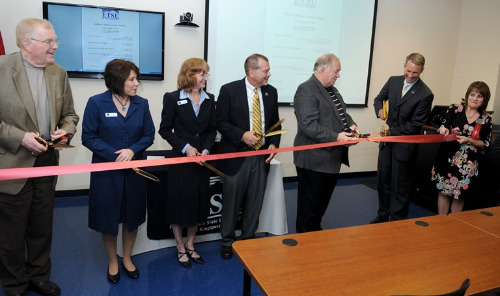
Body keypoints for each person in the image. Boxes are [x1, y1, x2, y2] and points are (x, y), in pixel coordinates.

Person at [0, 18, 79, 296]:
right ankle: (15, 284)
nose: (56, 46)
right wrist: (20, 137)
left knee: (42, 226)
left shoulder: (58, 73)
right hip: (12, 163)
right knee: (11, 232)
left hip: (46, 162)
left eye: (55, 40)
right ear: (27, 44)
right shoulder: (1, 69)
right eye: (49, 42)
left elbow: (70, 114)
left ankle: (38, 276)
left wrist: (65, 132)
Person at [81, 59, 155, 284]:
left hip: (135, 171)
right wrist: (116, 154)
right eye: (132, 79)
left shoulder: (142, 104)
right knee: (109, 217)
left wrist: (132, 151)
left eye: (136, 79)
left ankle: (128, 258)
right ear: (117, 80)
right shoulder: (96, 103)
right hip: (107, 173)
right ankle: (113, 261)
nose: (136, 84)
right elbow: (88, 137)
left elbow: (148, 135)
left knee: (132, 216)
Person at [216, 53, 281, 259]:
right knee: (232, 202)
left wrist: (273, 144)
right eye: (265, 71)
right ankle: (227, 241)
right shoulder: (229, 90)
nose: (269, 74)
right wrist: (241, 135)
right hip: (236, 156)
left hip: (261, 157)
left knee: (255, 202)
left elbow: (275, 124)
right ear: (251, 72)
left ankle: (248, 239)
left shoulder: (271, 92)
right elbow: (220, 122)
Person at [158, 58, 216, 268]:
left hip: (201, 162)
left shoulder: (210, 99)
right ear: (190, 75)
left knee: (198, 204)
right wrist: (186, 148)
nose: (206, 78)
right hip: (181, 162)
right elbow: (164, 130)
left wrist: (206, 150)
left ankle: (191, 244)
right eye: (202, 74)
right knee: (179, 204)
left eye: (206, 74)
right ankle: (180, 246)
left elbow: (211, 130)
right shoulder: (173, 98)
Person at [293, 53, 359, 233]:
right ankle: (306, 243)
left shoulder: (332, 90)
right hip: (314, 161)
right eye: (336, 71)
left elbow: (342, 114)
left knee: (319, 208)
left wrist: (352, 126)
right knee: (309, 210)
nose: (338, 75)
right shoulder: (306, 89)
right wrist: (337, 137)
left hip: (330, 160)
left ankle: (314, 237)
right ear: (323, 69)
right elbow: (308, 125)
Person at [372, 53, 434, 223]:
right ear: (404, 65)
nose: (410, 75)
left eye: (415, 72)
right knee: (383, 181)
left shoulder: (425, 93)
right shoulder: (393, 81)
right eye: (408, 70)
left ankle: (397, 220)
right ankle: (382, 215)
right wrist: (379, 109)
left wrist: (391, 132)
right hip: (387, 144)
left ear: (421, 71)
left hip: (404, 146)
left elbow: (415, 125)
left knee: (400, 186)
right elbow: (379, 99)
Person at [432, 81, 493, 214]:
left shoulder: (486, 119)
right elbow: (442, 126)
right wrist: (444, 130)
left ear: (485, 99)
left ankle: (455, 225)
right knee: (444, 191)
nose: (475, 99)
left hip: (467, 164)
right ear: (467, 95)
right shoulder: (454, 109)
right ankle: (441, 222)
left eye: (479, 96)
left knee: (459, 195)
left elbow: (486, 143)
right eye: (472, 94)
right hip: (447, 158)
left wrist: (470, 141)